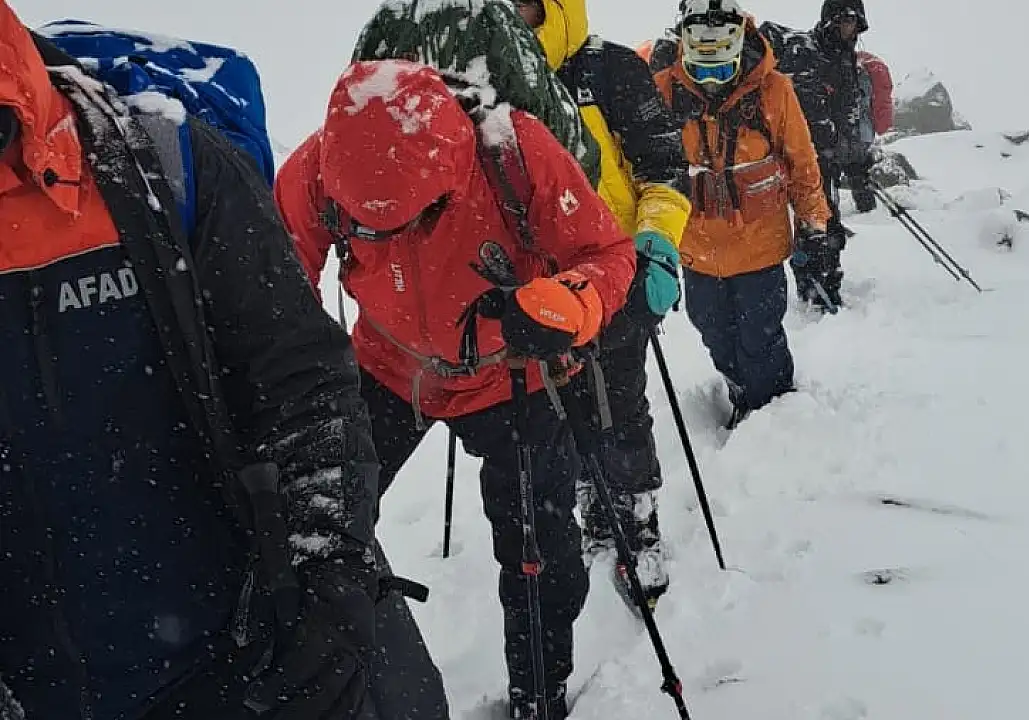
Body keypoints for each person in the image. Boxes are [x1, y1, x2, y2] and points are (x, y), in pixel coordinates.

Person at [0, 4, 443, 719]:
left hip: (241, 664)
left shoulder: (161, 163)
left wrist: (326, 577)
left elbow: (299, 375)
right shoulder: (288, 172)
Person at [274, 60, 635, 719]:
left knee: (538, 553)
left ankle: (539, 692)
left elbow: (607, 254)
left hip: (511, 374)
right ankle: (338, 689)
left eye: (419, 217)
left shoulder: (513, 150)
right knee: (312, 531)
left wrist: (564, 303)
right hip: (385, 370)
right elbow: (274, 289)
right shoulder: (314, 171)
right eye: (372, 229)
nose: (392, 237)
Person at [512, 0, 691, 608]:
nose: (514, 15)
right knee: (557, 416)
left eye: (527, 6)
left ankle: (636, 522)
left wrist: (656, 242)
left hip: (613, 280)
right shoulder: (485, 81)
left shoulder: (611, 70)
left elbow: (665, 167)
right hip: (530, 294)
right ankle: (591, 499)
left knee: (619, 407)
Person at [654, 0, 831, 429]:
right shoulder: (662, 89)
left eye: (720, 70)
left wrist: (813, 221)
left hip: (760, 247)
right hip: (696, 248)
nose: (711, 82)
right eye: (702, 71)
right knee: (712, 329)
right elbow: (644, 162)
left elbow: (801, 161)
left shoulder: (774, 91)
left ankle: (772, 414)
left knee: (761, 338)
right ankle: (738, 387)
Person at [352, 0, 601, 186]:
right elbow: (580, 160)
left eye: (522, 3)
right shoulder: (497, 35)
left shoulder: (605, 66)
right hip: (495, 229)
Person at [761, 0, 892, 311]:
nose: (850, 28)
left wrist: (856, 162)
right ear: (829, 20)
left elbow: (846, 115)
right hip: (796, 158)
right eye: (844, 20)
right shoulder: (802, 53)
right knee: (817, 227)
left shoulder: (845, 60)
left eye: (854, 22)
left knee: (825, 226)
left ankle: (820, 284)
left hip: (825, 160)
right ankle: (815, 289)